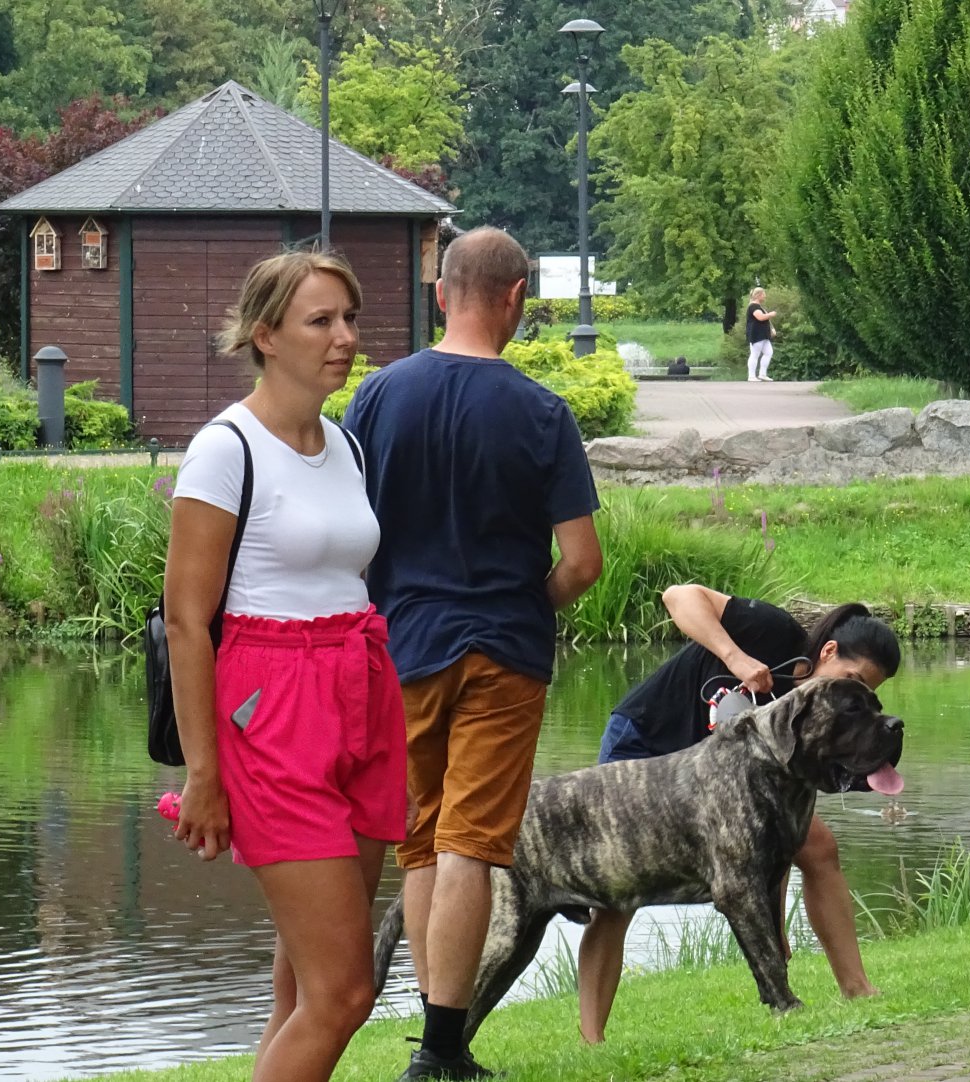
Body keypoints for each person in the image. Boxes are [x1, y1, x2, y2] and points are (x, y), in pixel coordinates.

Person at [343, 226, 603, 1082]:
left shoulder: (377, 397)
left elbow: (348, 533)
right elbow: (582, 563)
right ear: (517, 296)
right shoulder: (543, 412)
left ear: (441, 293)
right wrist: (528, 603)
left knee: (422, 840)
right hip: (503, 652)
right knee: (472, 845)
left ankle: (433, 1034)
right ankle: (443, 1049)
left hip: (400, 646)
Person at [164, 249, 405, 1082]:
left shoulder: (346, 446)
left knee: (305, 987)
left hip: (359, 689)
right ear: (265, 335)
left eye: (350, 318)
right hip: (272, 708)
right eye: (320, 321)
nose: (345, 338)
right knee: (344, 993)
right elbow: (186, 621)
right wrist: (205, 772)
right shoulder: (225, 449)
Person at [576, 587, 902, 1044]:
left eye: (867, 693)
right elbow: (678, 596)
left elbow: (771, 841)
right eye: (853, 679)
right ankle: (593, 1040)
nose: (855, 696)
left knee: (817, 848)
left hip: (717, 784)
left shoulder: (816, 721)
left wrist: (774, 928)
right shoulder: (771, 631)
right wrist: (736, 657)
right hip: (648, 743)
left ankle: (857, 989)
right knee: (615, 900)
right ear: (828, 652)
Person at [745, 287, 777, 382]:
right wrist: (771, 314)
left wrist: (771, 328)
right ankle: (751, 376)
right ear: (758, 295)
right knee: (755, 354)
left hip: (764, 335)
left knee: (768, 352)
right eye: (763, 294)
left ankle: (762, 374)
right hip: (757, 334)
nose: (765, 296)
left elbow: (766, 320)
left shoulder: (759, 307)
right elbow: (761, 317)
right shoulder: (753, 306)